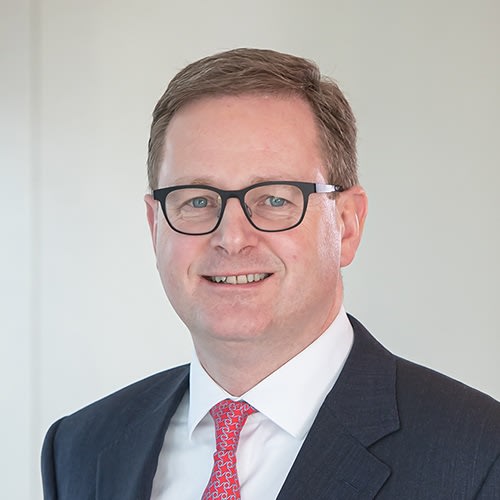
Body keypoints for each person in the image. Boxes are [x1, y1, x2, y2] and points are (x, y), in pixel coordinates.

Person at [41, 48, 500, 500]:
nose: (231, 238)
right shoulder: (81, 449)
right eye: (197, 200)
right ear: (155, 225)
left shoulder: (479, 454)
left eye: (275, 199)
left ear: (346, 225)